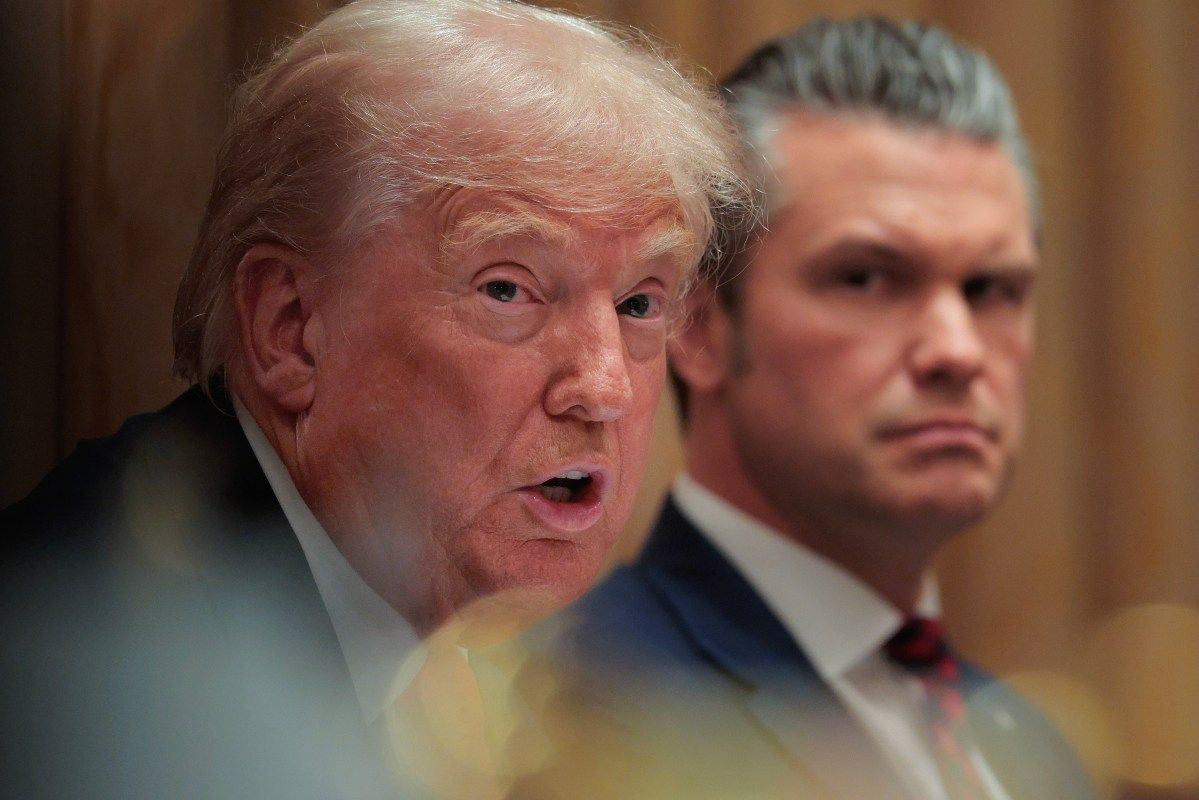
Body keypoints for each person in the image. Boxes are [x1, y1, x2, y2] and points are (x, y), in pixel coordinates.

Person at [0, 1, 749, 798]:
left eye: (639, 303)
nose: (604, 388)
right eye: (508, 289)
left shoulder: (475, 659)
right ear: (291, 329)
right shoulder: (107, 672)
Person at [489, 16, 1097, 800]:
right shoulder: (571, 714)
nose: (957, 350)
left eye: (992, 290)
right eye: (866, 279)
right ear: (697, 327)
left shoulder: (1035, 746)